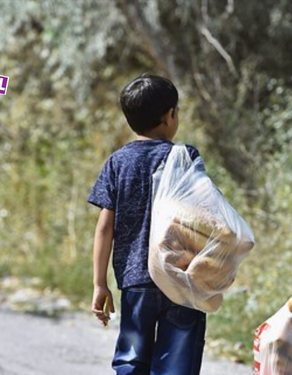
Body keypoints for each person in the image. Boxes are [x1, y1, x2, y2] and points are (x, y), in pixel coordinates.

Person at [88, 74, 206, 375]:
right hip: (180, 278)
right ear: (170, 116)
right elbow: (205, 215)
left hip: (136, 279)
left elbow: (105, 228)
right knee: (177, 364)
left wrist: (100, 283)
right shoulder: (185, 157)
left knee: (131, 360)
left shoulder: (118, 162)